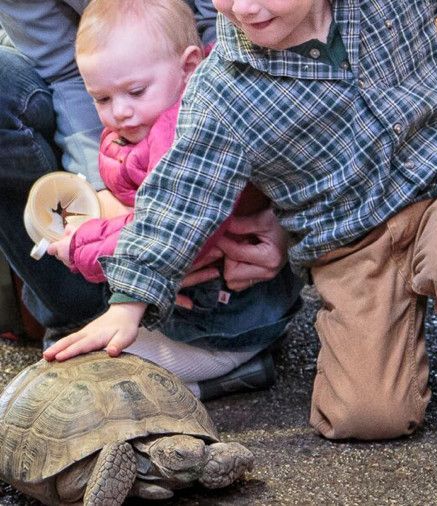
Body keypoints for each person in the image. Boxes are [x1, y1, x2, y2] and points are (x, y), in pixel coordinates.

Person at [46, 0, 437, 439]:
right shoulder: (221, 89)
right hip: (349, 241)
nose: (245, 8)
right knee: (364, 418)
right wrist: (129, 301)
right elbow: (181, 193)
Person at [0, 0, 303, 399]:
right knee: (94, 373)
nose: (119, 113)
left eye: (135, 93)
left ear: (190, 67)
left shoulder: (187, 134)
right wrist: (102, 197)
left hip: (220, 321)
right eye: (102, 100)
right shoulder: (138, 116)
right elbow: (65, 71)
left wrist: (82, 245)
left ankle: (211, 377)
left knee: (102, 382)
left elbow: (169, 228)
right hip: (177, 300)